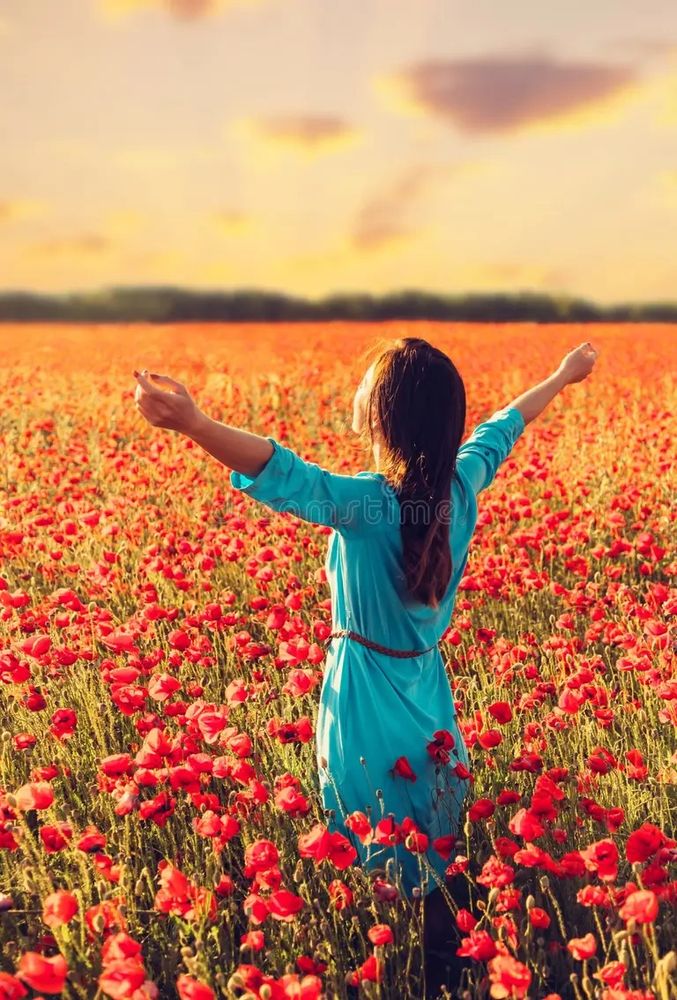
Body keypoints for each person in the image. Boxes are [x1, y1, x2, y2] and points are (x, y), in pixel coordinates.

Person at [133, 336, 598, 997]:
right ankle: (446, 972)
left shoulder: (367, 505)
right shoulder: (461, 483)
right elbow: (505, 427)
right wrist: (562, 374)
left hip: (362, 700)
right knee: (436, 843)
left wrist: (195, 425)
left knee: (367, 843)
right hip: (427, 696)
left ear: (379, 416)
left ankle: (383, 971)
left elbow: (285, 473)